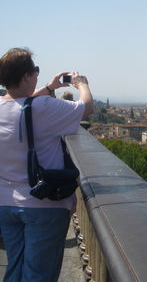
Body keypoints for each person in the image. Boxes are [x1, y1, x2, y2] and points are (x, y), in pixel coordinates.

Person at [0, 48, 93, 282]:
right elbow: (86, 108)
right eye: (35, 72)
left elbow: (22, 104)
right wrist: (82, 84)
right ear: (26, 76)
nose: (37, 77)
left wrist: (50, 89)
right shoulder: (43, 109)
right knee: (38, 275)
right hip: (44, 205)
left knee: (15, 268)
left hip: (5, 204)